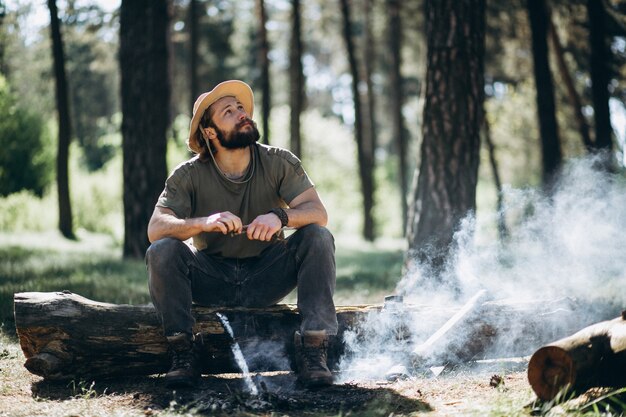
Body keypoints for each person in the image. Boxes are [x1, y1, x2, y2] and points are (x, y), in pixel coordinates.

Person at [146, 80, 338, 389]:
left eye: (240, 108)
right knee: (162, 251)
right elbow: (156, 229)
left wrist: (281, 217)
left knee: (317, 236)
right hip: (211, 277)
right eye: (228, 111)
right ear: (210, 133)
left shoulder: (278, 161)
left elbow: (319, 213)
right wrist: (204, 222)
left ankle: (314, 349)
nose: (241, 114)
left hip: (267, 275)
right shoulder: (188, 175)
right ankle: (183, 350)